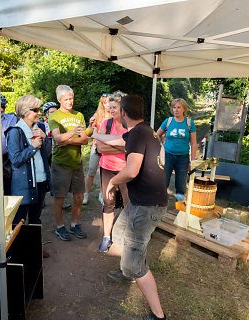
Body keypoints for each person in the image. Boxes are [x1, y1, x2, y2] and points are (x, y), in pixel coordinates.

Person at [104, 95, 167, 320]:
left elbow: (131, 171)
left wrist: (112, 182)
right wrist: (97, 135)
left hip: (147, 206)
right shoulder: (143, 131)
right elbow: (119, 140)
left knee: (133, 263)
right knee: (119, 231)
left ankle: (158, 315)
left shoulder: (138, 134)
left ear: (123, 113)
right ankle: (129, 270)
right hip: (143, 201)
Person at [6, 96, 51, 259]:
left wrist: (44, 139)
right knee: (19, 221)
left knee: (36, 218)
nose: (39, 113)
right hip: (23, 185)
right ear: (25, 112)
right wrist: (32, 147)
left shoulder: (38, 127)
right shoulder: (15, 132)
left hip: (40, 180)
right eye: (36, 110)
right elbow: (16, 160)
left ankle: (35, 249)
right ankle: (17, 253)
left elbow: (46, 154)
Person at [48, 85, 89, 241]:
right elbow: (58, 139)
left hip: (77, 163)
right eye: (66, 99)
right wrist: (72, 133)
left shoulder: (79, 115)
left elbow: (85, 140)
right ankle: (59, 227)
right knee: (60, 198)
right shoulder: (54, 116)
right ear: (59, 100)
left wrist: (68, 140)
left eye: (71, 98)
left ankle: (74, 224)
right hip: (60, 164)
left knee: (79, 197)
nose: (70, 102)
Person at [92, 91, 129, 253]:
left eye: (115, 107)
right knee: (108, 203)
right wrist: (120, 145)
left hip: (127, 170)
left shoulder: (130, 125)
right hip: (107, 168)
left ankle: (128, 237)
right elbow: (100, 147)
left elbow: (131, 148)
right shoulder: (106, 124)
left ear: (123, 108)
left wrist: (111, 146)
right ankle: (106, 237)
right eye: (111, 107)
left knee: (129, 204)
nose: (112, 110)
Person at [156, 98, 197, 202]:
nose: (176, 110)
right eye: (174, 107)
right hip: (167, 156)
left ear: (184, 109)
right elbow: (156, 136)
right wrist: (160, 149)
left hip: (183, 159)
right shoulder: (168, 121)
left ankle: (180, 209)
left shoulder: (189, 123)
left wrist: (192, 161)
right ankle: (159, 205)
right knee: (162, 183)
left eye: (179, 107)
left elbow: (193, 143)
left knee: (180, 185)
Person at [83, 93, 112, 205]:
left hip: (108, 148)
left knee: (104, 173)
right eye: (105, 103)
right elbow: (89, 133)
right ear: (102, 104)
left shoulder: (114, 116)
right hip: (96, 147)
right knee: (91, 171)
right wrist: (90, 125)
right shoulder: (97, 115)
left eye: (109, 102)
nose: (107, 105)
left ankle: (101, 194)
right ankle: (86, 194)